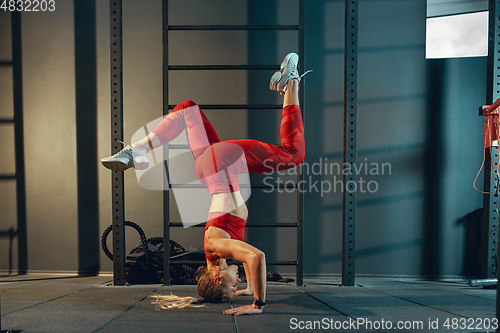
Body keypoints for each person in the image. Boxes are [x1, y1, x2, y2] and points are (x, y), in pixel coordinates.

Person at [101, 53, 309, 315]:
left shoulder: (217, 246)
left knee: (294, 153)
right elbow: (244, 260)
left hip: (221, 163)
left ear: (217, 278)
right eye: (237, 288)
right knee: (188, 108)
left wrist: (257, 304)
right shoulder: (217, 252)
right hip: (207, 164)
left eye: (233, 287)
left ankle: (292, 83)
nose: (238, 285)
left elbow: (257, 257)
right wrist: (247, 288)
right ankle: (136, 150)